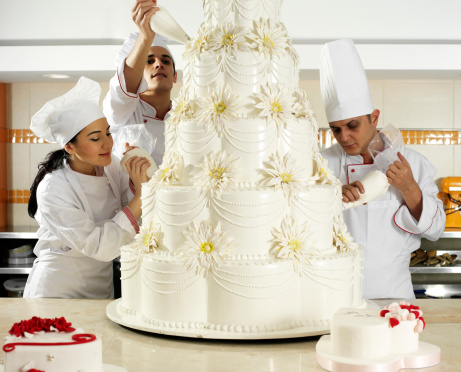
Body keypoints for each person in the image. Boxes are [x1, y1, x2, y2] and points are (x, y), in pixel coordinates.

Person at [319, 39, 446, 300]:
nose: (344, 137)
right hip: (335, 295)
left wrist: (409, 187)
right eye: (336, 129)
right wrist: (329, 196)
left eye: (352, 125)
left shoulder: (412, 163)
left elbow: (435, 231)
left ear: (374, 118)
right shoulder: (320, 165)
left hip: (394, 296)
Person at [24, 77, 150, 299]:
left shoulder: (110, 166)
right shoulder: (53, 189)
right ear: (69, 147)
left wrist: (136, 166)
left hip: (100, 287)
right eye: (95, 138)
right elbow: (100, 246)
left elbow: (132, 207)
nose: (108, 144)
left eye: (108, 133)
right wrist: (140, 195)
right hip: (57, 291)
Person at [103, 0, 177, 167]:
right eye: (148, 61)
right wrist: (146, 36)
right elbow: (125, 87)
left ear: (175, 76)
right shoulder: (123, 111)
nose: (159, 64)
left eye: (166, 61)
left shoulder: (186, 116)